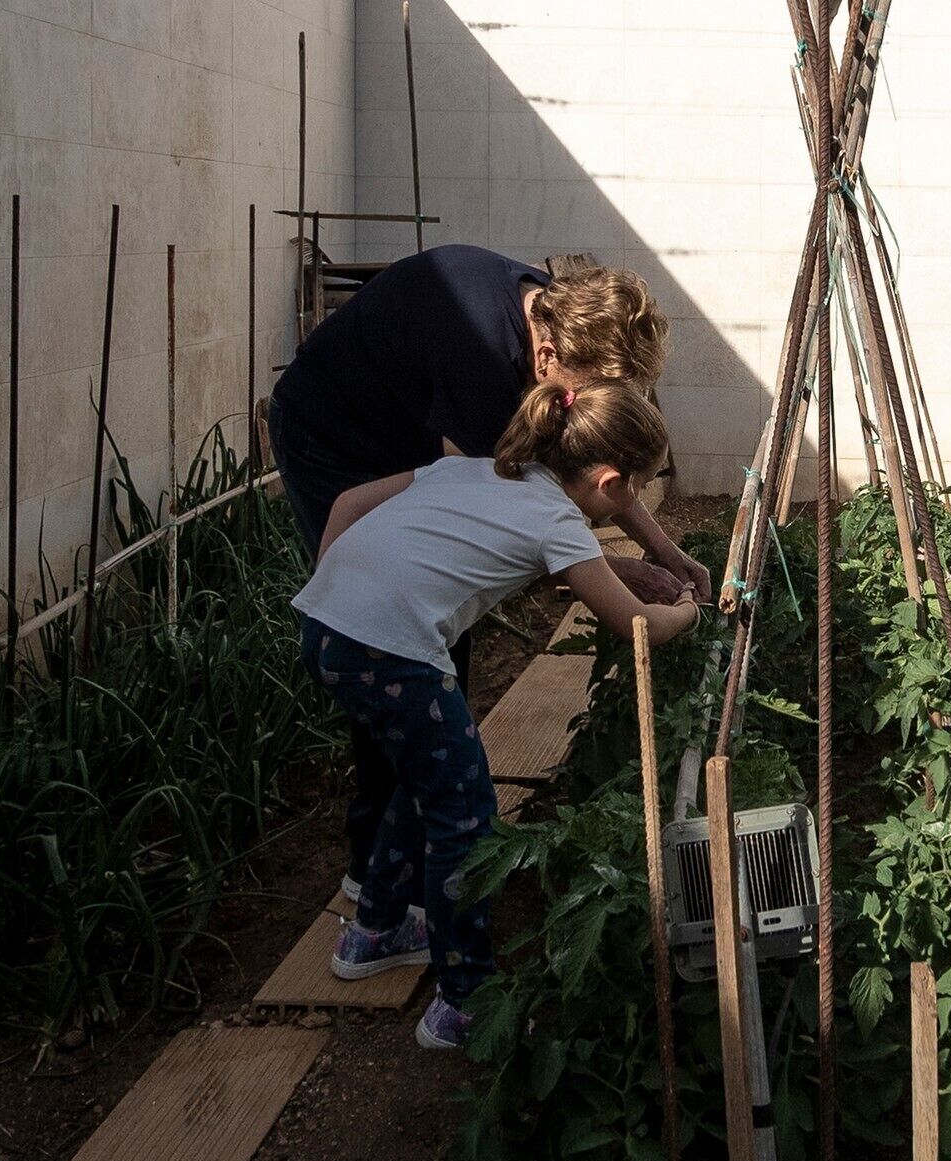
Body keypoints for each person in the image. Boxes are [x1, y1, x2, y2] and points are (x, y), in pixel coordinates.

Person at [292, 380, 702, 1049]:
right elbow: (636, 625)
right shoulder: (559, 522)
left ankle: (376, 930)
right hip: (394, 655)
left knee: (426, 781)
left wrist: (336, 593)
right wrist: (685, 610)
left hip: (325, 627)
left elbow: (346, 504)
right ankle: (464, 1002)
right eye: (638, 488)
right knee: (466, 815)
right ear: (610, 482)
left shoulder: (472, 469)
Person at [267, 247, 712, 606]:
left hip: (402, 421)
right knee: (373, 596)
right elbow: (486, 532)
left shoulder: (556, 310)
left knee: (433, 612)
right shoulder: (483, 365)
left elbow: (601, 459)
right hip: (330, 436)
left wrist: (664, 551)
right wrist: (611, 575)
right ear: (547, 358)